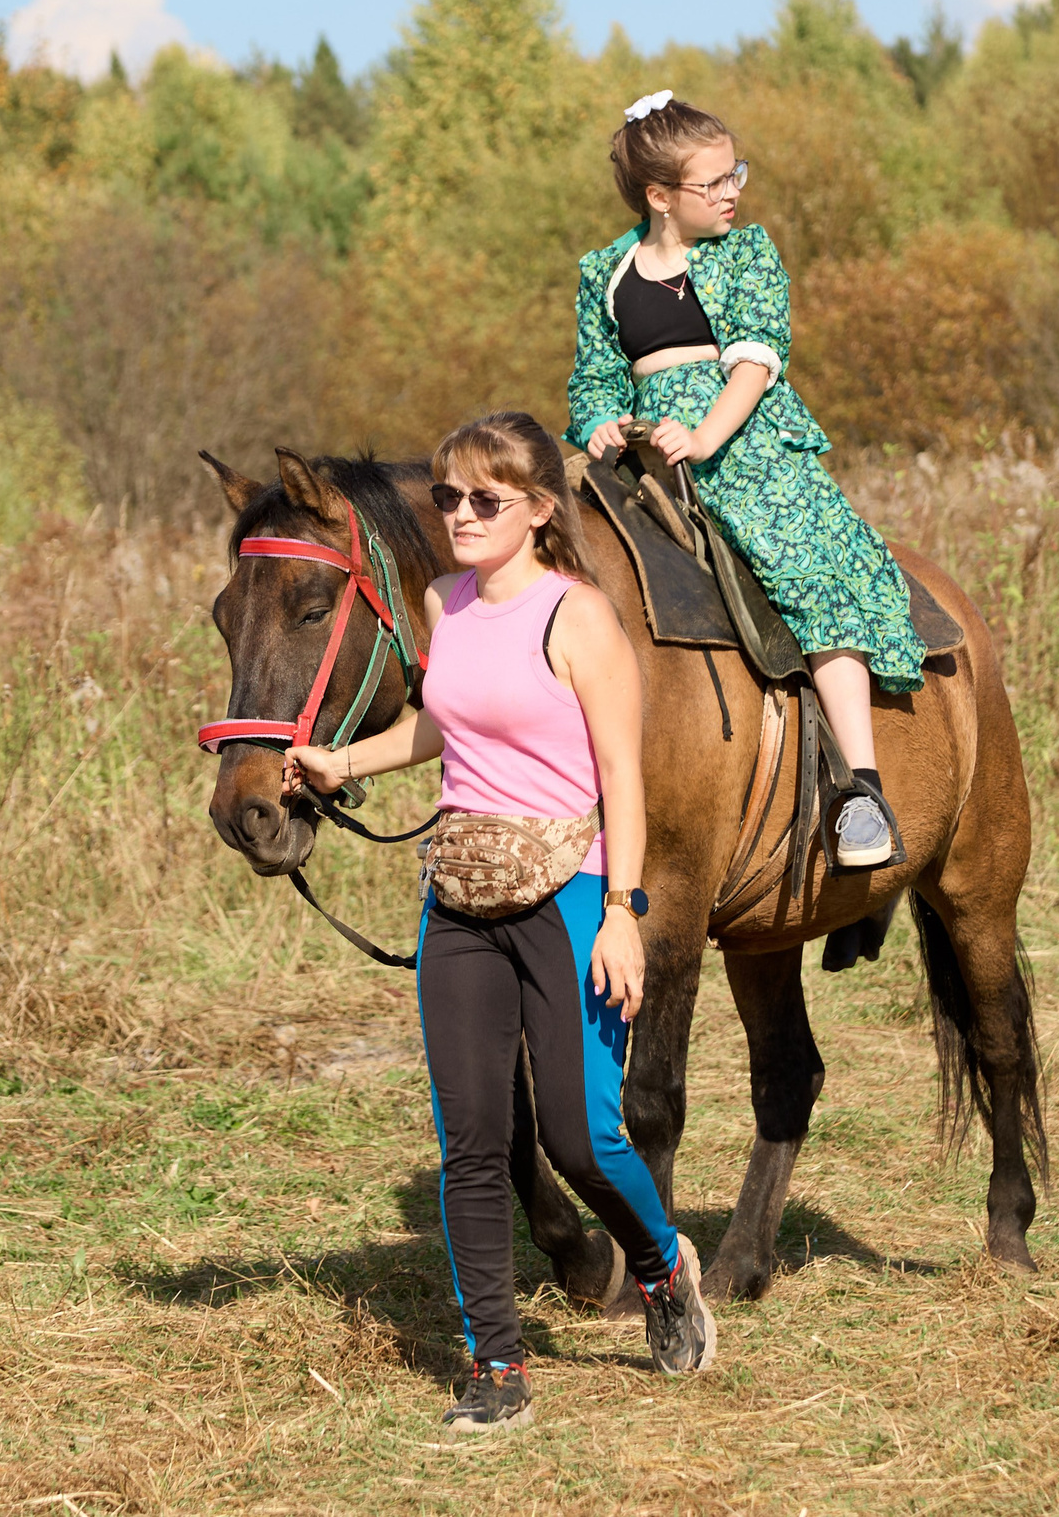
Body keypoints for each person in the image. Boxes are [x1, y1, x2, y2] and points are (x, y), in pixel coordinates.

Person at [285, 410, 715, 1433]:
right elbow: (445, 719)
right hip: (461, 893)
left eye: (484, 499)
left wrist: (622, 914)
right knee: (472, 1143)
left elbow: (621, 773)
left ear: (534, 510)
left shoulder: (578, 619)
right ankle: (497, 1365)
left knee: (580, 1132)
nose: (460, 514)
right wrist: (345, 762)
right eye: (446, 497)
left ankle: (660, 1267)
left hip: (569, 889)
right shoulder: (445, 599)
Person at [567, 90, 923, 869]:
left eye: (737, 175)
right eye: (716, 181)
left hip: (743, 445)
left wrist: (702, 436)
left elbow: (755, 364)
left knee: (812, 574)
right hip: (641, 449)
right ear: (660, 197)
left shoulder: (748, 253)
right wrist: (598, 417)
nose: (734, 191)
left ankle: (862, 791)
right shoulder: (603, 272)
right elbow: (596, 376)